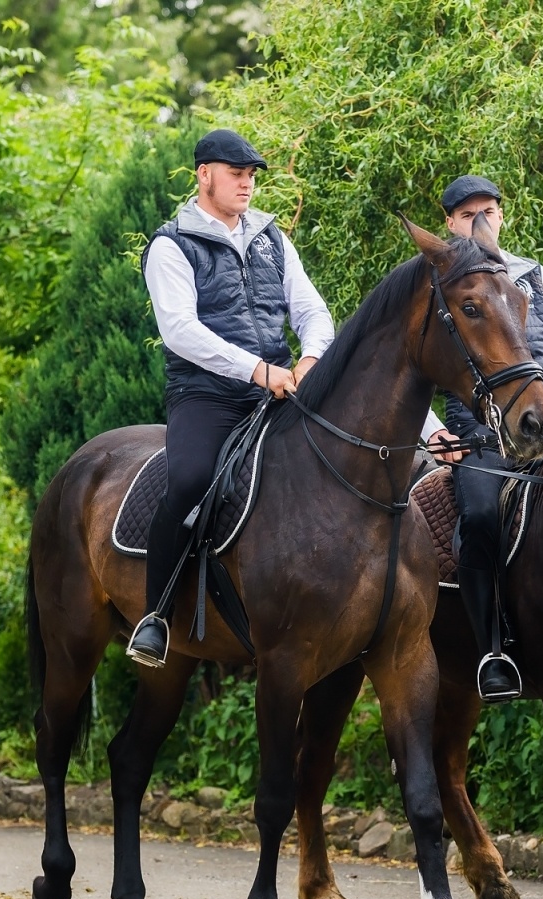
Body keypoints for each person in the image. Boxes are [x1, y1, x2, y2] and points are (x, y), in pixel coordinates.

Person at [127, 129, 335, 668]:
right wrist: (257, 370)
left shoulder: (271, 238)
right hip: (207, 396)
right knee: (190, 479)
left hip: (280, 387)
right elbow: (180, 332)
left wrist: (311, 357)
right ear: (205, 175)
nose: (247, 183)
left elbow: (311, 310)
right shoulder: (171, 245)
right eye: (236, 173)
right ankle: (156, 616)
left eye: (251, 176)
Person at [422, 175, 543, 701]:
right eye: (468, 215)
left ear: (502, 217)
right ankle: (492, 650)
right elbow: (407, 371)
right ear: (449, 224)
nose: (480, 222)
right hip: (479, 440)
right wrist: (435, 432)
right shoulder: (436, 282)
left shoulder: (534, 276)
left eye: (488, 212)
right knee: (481, 517)